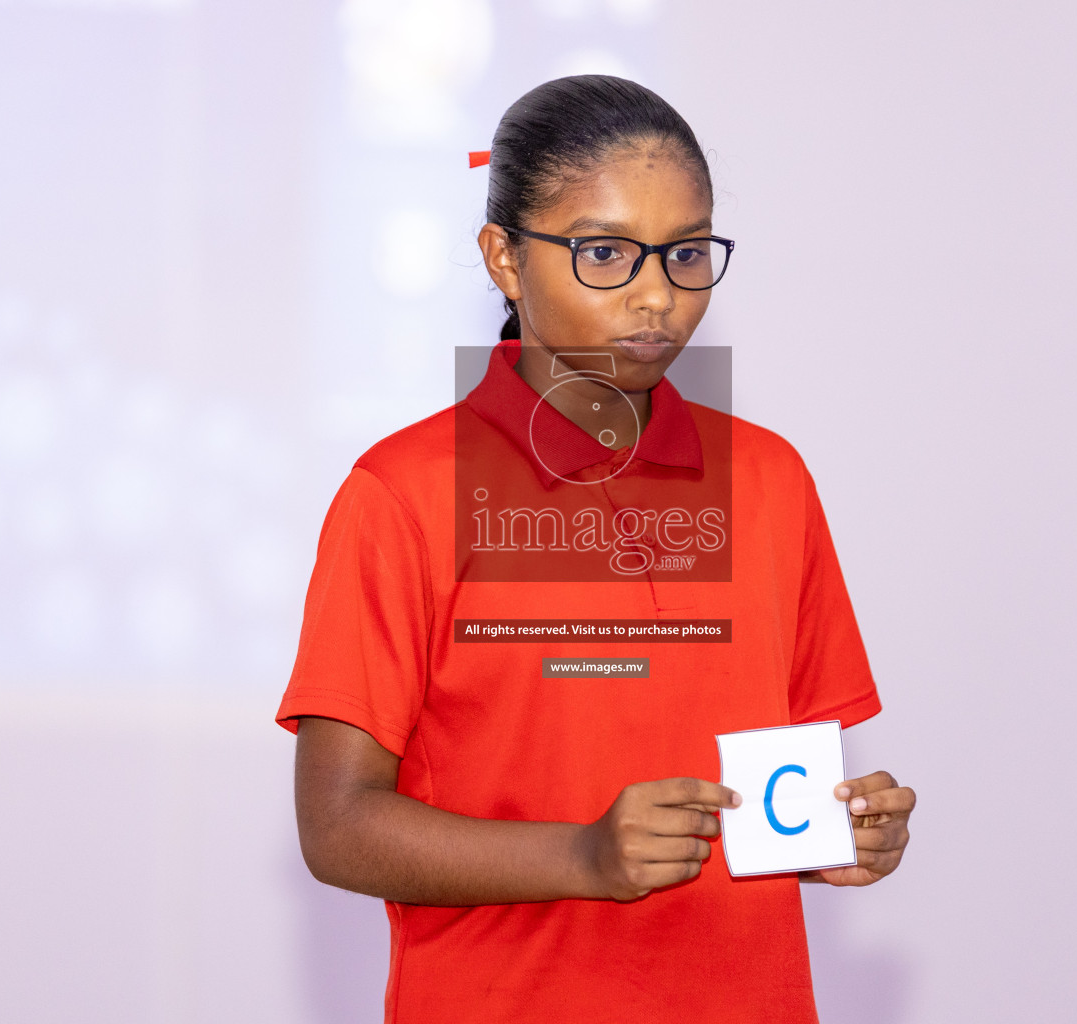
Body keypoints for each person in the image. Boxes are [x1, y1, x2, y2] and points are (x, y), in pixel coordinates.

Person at [277, 75, 916, 1023]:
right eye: (606, 253)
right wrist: (582, 855)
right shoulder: (402, 494)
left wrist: (839, 833)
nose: (657, 296)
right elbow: (337, 827)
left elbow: (768, 797)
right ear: (503, 258)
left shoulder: (771, 482)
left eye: (687, 253)